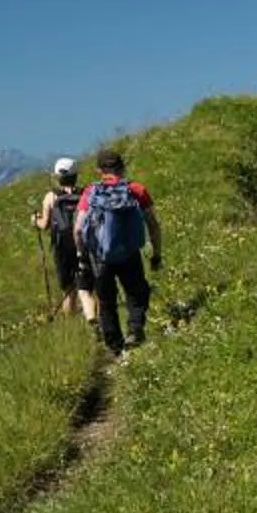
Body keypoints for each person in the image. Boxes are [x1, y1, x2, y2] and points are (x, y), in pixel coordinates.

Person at [75, 148, 163, 357]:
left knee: (106, 301)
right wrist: (156, 253)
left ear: (99, 170)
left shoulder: (90, 192)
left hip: (100, 256)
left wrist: (82, 256)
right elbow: (153, 224)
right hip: (129, 252)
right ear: (122, 167)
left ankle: (115, 347)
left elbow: (78, 228)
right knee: (137, 292)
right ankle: (135, 330)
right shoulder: (136, 189)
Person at [32, 157, 91, 321]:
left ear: (57, 177)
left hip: (62, 246)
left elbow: (44, 225)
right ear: (76, 175)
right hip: (85, 244)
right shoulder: (85, 194)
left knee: (68, 289)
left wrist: (34, 220)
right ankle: (95, 319)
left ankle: (71, 322)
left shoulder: (51, 197)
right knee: (89, 286)